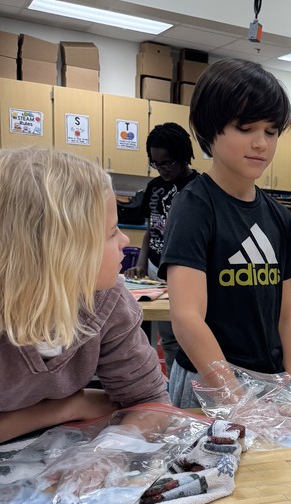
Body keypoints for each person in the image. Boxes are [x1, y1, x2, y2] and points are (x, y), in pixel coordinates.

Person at [0, 148, 169, 444]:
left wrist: (111, 453)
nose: (125, 240)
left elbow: (151, 402)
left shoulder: (108, 301)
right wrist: (66, 407)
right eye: (112, 232)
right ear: (62, 253)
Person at [160, 59, 291, 409]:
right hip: (207, 382)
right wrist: (235, 397)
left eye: (271, 132)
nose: (261, 143)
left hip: (267, 383)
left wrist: (288, 383)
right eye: (246, 128)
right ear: (210, 130)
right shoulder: (194, 206)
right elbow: (186, 318)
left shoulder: (279, 217)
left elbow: (285, 315)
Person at [125, 122, 199, 373]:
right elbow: (151, 229)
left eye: (168, 163)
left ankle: (185, 389)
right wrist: (141, 262)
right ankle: (171, 389)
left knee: (187, 337)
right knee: (167, 338)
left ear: (184, 157)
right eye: (156, 163)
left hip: (185, 271)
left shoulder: (198, 188)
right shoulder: (154, 187)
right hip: (156, 268)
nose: (163, 169)